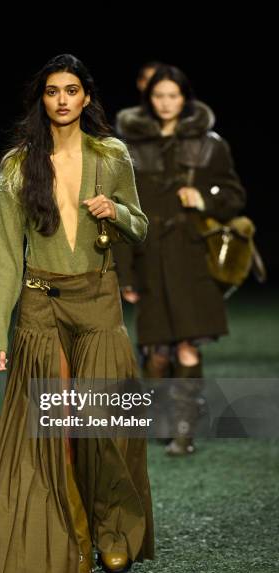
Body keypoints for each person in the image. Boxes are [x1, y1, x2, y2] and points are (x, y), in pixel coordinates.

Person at [0, 54, 154, 573]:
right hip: (40, 303)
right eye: (52, 91)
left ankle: (112, 528)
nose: (62, 100)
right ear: (42, 100)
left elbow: (140, 227)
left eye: (71, 90)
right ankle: (73, 544)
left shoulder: (111, 156)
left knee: (103, 426)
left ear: (86, 97)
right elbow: (8, 256)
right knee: (53, 436)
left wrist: (115, 213)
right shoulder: (17, 165)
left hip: (98, 301)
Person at [113, 65, 246, 456]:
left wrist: (203, 197)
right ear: (148, 100)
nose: (166, 103)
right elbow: (122, 211)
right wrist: (126, 273)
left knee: (188, 346)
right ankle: (165, 422)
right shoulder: (130, 150)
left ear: (184, 98)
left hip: (191, 260)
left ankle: (183, 434)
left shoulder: (209, 145)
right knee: (155, 349)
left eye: (173, 95)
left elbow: (234, 197)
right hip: (150, 257)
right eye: (159, 96)